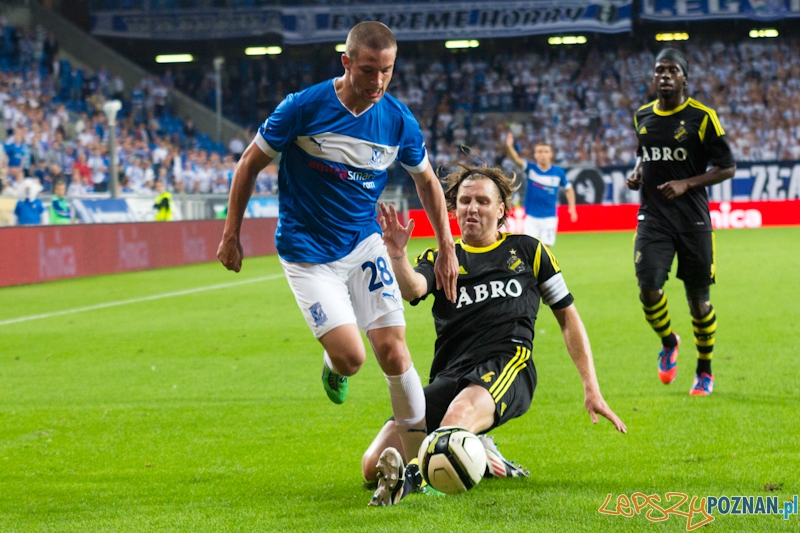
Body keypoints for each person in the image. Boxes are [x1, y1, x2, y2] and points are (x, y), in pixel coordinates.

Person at [216, 22, 459, 466]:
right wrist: (231, 234)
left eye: (387, 70)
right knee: (352, 358)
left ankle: (416, 462)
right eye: (368, 70)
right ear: (346, 63)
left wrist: (447, 245)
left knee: (394, 349)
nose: (378, 82)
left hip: (364, 244)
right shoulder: (303, 108)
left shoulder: (398, 120)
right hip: (307, 253)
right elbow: (248, 165)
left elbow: (427, 182)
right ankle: (335, 365)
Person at [364, 165, 626, 506]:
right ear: (453, 209)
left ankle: (413, 480)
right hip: (451, 373)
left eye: (483, 201)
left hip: (507, 365)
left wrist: (591, 387)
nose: (472, 208)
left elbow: (567, 317)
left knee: (451, 427)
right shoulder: (443, 257)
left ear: (501, 209)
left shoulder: (530, 252)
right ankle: (484, 455)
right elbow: (413, 288)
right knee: (371, 465)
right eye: (465, 201)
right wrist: (397, 254)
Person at [626, 49, 736, 396]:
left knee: (698, 303)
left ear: (684, 78)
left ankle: (704, 370)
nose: (665, 75)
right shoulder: (642, 116)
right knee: (648, 288)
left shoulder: (703, 117)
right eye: (660, 70)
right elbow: (645, 155)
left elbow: (727, 167)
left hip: (693, 220)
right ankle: (668, 341)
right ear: (653, 77)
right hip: (654, 217)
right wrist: (637, 172)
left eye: (672, 70)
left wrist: (687, 184)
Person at [505, 134, 577, 246]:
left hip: (549, 217)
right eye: (540, 151)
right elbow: (517, 160)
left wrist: (572, 208)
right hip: (531, 217)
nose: (543, 154)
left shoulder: (558, 172)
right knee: (529, 249)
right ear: (535, 155)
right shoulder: (531, 169)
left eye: (546, 151)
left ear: (551, 154)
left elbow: (569, 189)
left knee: (546, 250)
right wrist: (510, 147)